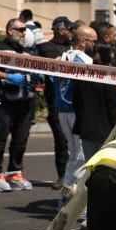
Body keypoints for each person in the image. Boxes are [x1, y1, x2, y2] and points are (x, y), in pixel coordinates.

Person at [0, 18, 40, 192]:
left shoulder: (28, 50)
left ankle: (14, 173)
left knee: (20, 140)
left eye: (25, 30)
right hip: (6, 101)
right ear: (9, 30)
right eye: (20, 29)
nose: (23, 33)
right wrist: (7, 77)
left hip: (27, 100)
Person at [54, 24, 97, 199]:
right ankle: (77, 201)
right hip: (77, 112)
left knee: (74, 157)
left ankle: (67, 194)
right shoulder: (85, 61)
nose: (95, 45)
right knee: (82, 157)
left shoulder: (62, 57)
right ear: (83, 42)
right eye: (93, 41)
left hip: (62, 110)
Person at [36, 16, 74, 189]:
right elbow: (55, 66)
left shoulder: (72, 47)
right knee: (61, 140)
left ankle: (74, 175)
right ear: (60, 30)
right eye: (69, 29)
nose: (72, 33)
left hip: (73, 102)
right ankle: (62, 175)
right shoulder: (47, 48)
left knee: (76, 142)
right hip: (56, 102)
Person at [73, 44, 116, 158]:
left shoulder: (83, 77)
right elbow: (113, 108)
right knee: (104, 168)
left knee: (90, 167)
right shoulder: (108, 80)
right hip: (105, 133)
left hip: (86, 131)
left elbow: (77, 104)